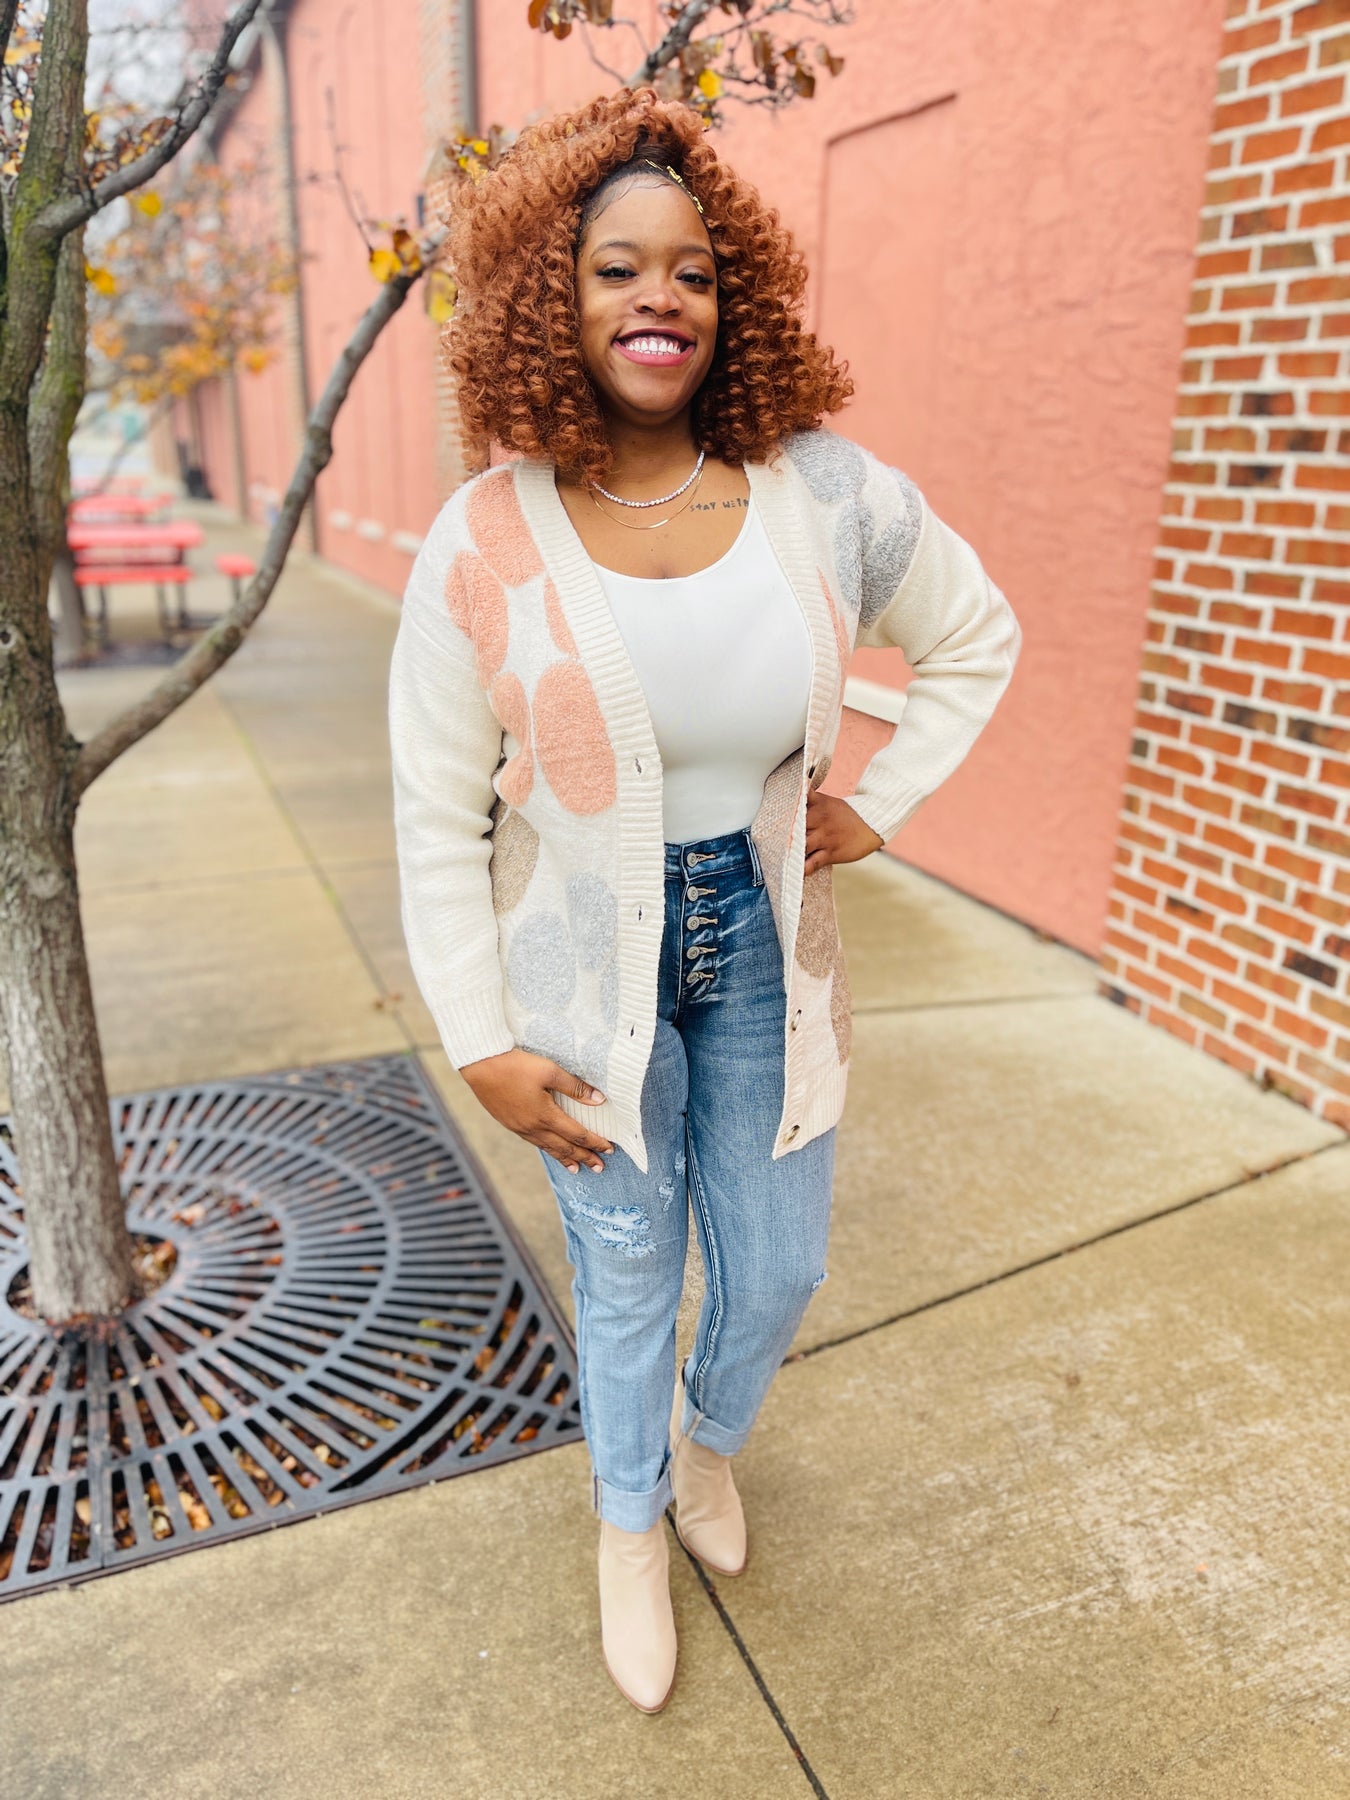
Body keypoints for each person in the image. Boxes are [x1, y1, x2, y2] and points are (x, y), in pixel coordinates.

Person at [389, 88, 1020, 1714]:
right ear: (552, 296)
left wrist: (876, 803)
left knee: (781, 1263)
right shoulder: (481, 541)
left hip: (763, 940)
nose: (657, 297)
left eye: (692, 269)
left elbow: (973, 636)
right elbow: (432, 813)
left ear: (732, 298)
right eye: (615, 268)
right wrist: (476, 1040)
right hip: (570, 968)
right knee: (624, 1269)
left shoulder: (823, 493)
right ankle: (625, 1526)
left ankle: (705, 1446)